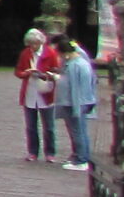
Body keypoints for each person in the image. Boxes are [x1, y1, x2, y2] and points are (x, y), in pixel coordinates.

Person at [17, 28, 62, 162]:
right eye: (31, 44)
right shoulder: (25, 53)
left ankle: (50, 152)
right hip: (30, 92)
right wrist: (25, 74)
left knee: (48, 126)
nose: (33, 47)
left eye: (36, 44)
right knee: (31, 126)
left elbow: (56, 71)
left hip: (45, 92)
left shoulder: (50, 53)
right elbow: (18, 70)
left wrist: (44, 75)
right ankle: (33, 152)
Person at [54, 35, 97, 171]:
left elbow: (75, 89)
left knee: (77, 131)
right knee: (80, 131)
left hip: (74, 103)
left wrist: (76, 108)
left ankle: (81, 159)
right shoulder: (80, 62)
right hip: (80, 102)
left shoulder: (75, 65)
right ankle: (82, 156)